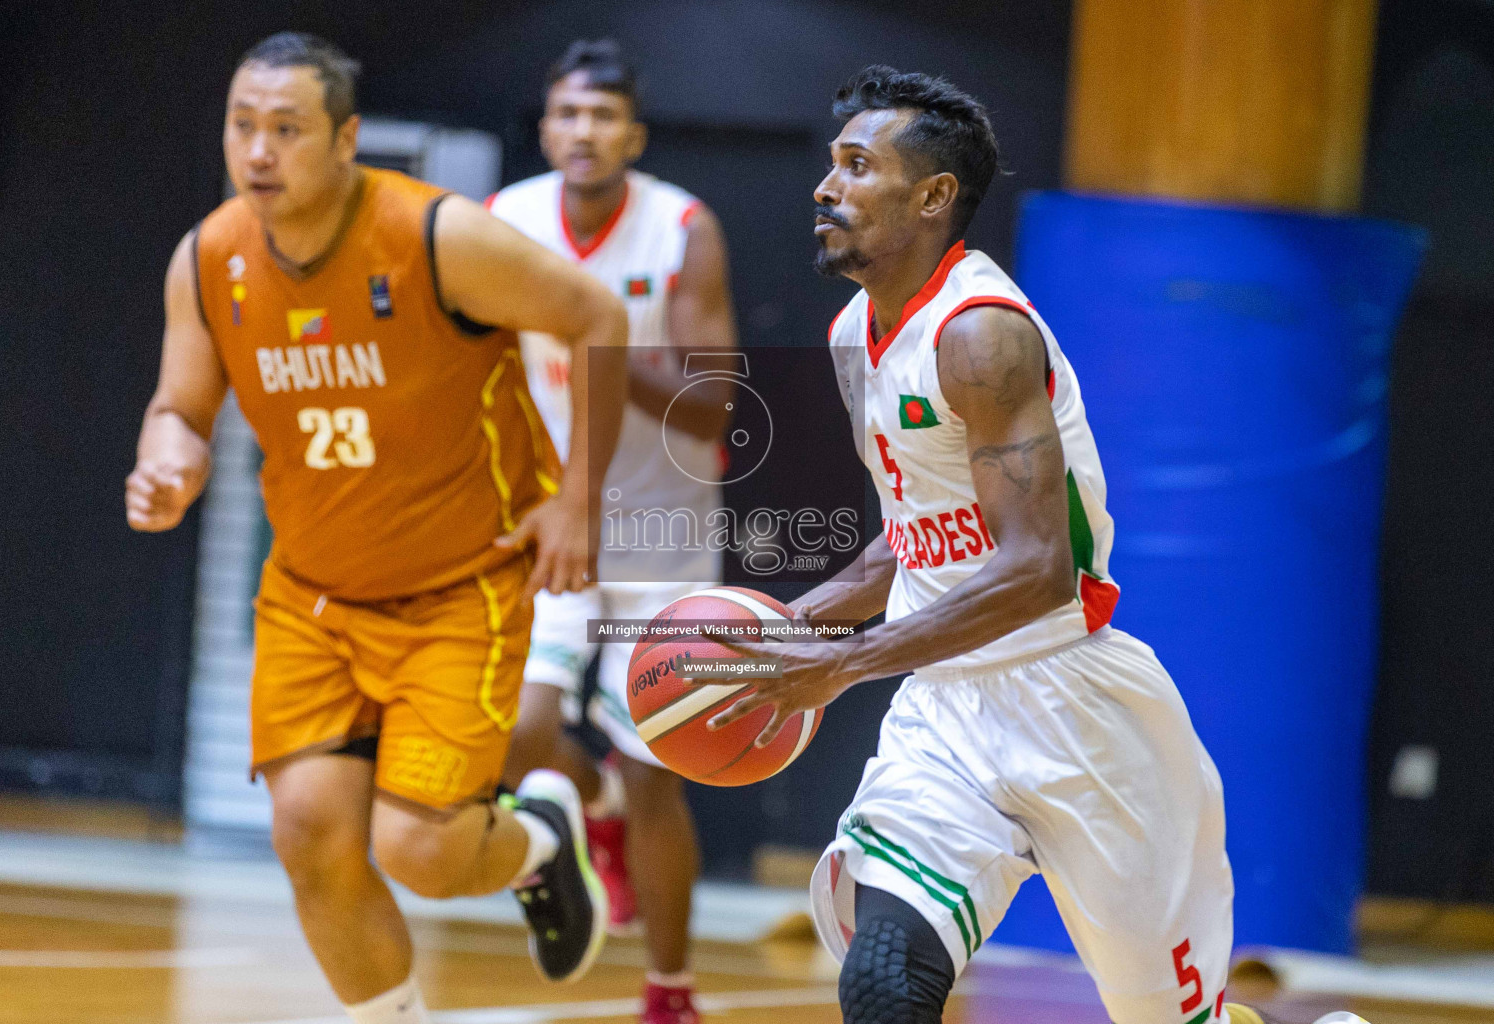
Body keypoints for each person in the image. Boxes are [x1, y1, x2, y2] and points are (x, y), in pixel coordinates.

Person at [704, 66, 1370, 1024]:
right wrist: (784, 626)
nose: (826, 186)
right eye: (830, 164)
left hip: (1074, 702)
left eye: (857, 165)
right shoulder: (857, 332)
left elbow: (1035, 573)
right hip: (944, 714)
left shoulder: (981, 336)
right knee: (884, 984)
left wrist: (839, 666)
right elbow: (915, 536)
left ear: (933, 196)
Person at [125, 32, 631, 1024]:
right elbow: (180, 406)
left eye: (287, 129)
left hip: (462, 584)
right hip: (313, 595)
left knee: (421, 850)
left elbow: (598, 315)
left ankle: (538, 838)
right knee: (310, 833)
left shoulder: (438, 239)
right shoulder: (208, 258)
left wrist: (580, 498)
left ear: (348, 138)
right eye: (242, 126)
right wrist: (168, 455)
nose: (258, 151)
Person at [488, 39, 737, 1024]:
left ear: (632, 133)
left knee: (658, 774)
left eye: (603, 116)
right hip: (553, 519)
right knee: (514, 737)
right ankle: (590, 810)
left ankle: (669, 989)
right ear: (546, 128)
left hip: (660, 531)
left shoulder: (682, 229)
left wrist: (602, 335)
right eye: (566, 114)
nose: (583, 131)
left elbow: (712, 410)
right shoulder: (502, 222)